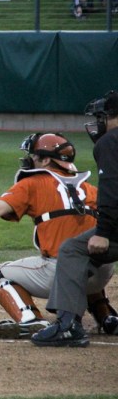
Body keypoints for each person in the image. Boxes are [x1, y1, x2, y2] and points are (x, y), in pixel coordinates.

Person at [0, 132, 116, 339]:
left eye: (34, 156)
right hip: (103, 272)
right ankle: (107, 317)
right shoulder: (91, 189)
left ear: (45, 160)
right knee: (85, 261)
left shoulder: (34, 183)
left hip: (60, 274)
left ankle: (30, 320)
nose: (30, 160)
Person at [32, 90, 118, 347]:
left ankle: (68, 325)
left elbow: (112, 190)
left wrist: (102, 231)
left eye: (102, 116)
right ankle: (101, 312)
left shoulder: (110, 142)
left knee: (72, 249)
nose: (99, 122)